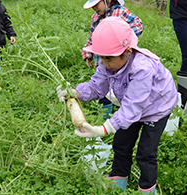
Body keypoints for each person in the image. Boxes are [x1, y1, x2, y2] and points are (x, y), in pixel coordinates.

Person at [57, 17, 178, 194]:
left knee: (146, 153)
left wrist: (105, 128)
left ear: (127, 51)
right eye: (101, 58)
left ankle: (147, 189)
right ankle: (119, 179)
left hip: (156, 108)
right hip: (132, 106)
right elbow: (96, 86)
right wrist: (76, 93)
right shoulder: (109, 64)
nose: (105, 63)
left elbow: (133, 106)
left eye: (108, 59)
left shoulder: (142, 69)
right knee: (121, 143)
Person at [82, 0, 144, 121]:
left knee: (122, 89)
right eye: (92, 5)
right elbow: (92, 37)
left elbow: (138, 24)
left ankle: (124, 115)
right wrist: (88, 53)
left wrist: (122, 40)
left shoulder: (120, 12)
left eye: (96, 4)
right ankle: (104, 120)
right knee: (102, 89)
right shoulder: (95, 18)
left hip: (119, 64)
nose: (94, 8)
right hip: (103, 65)